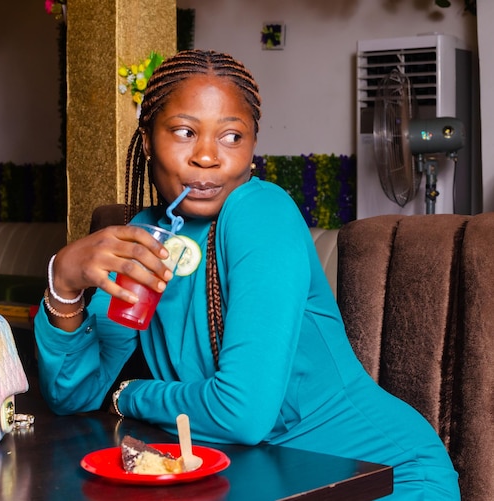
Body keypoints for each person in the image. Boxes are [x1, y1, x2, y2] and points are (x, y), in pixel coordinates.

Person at [34, 49, 460, 499]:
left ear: (252, 147)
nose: (207, 156)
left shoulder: (261, 211)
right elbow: (74, 395)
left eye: (231, 137)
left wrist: (130, 394)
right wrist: (63, 285)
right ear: (146, 141)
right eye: (184, 131)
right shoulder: (143, 237)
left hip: (381, 477)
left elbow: (241, 413)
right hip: (267, 478)